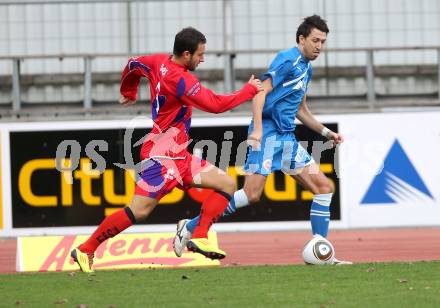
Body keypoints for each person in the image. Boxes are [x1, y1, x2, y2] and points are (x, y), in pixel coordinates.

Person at [70, 27, 263, 272]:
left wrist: (128, 91)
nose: (202, 59)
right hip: (161, 158)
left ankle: (199, 234)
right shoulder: (181, 80)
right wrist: (248, 91)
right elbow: (215, 105)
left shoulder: (157, 61)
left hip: (177, 153)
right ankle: (86, 249)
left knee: (226, 184)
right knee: (138, 211)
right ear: (185, 54)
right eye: (199, 55)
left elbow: (132, 65)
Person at [173, 15, 352, 265]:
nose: (319, 46)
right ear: (301, 39)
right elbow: (259, 93)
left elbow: (300, 109)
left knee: (324, 189)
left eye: (323, 41)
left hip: (286, 138)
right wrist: (257, 130)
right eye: (315, 40)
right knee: (251, 194)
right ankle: (191, 226)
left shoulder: (306, 68)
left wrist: (325, 133)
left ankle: (322, 252)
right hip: (267, 135)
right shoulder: (287, 59)